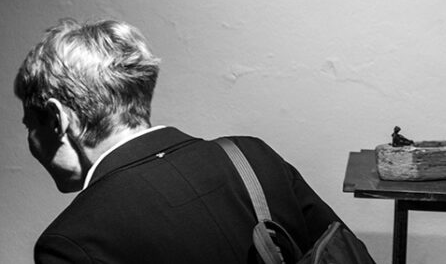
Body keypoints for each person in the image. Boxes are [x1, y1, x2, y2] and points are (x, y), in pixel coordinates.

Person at [15, 18, 348, 263]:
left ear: (58, 119)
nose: (31, 142)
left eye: (30, 124)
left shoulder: (72, 241)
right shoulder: (252, 157)